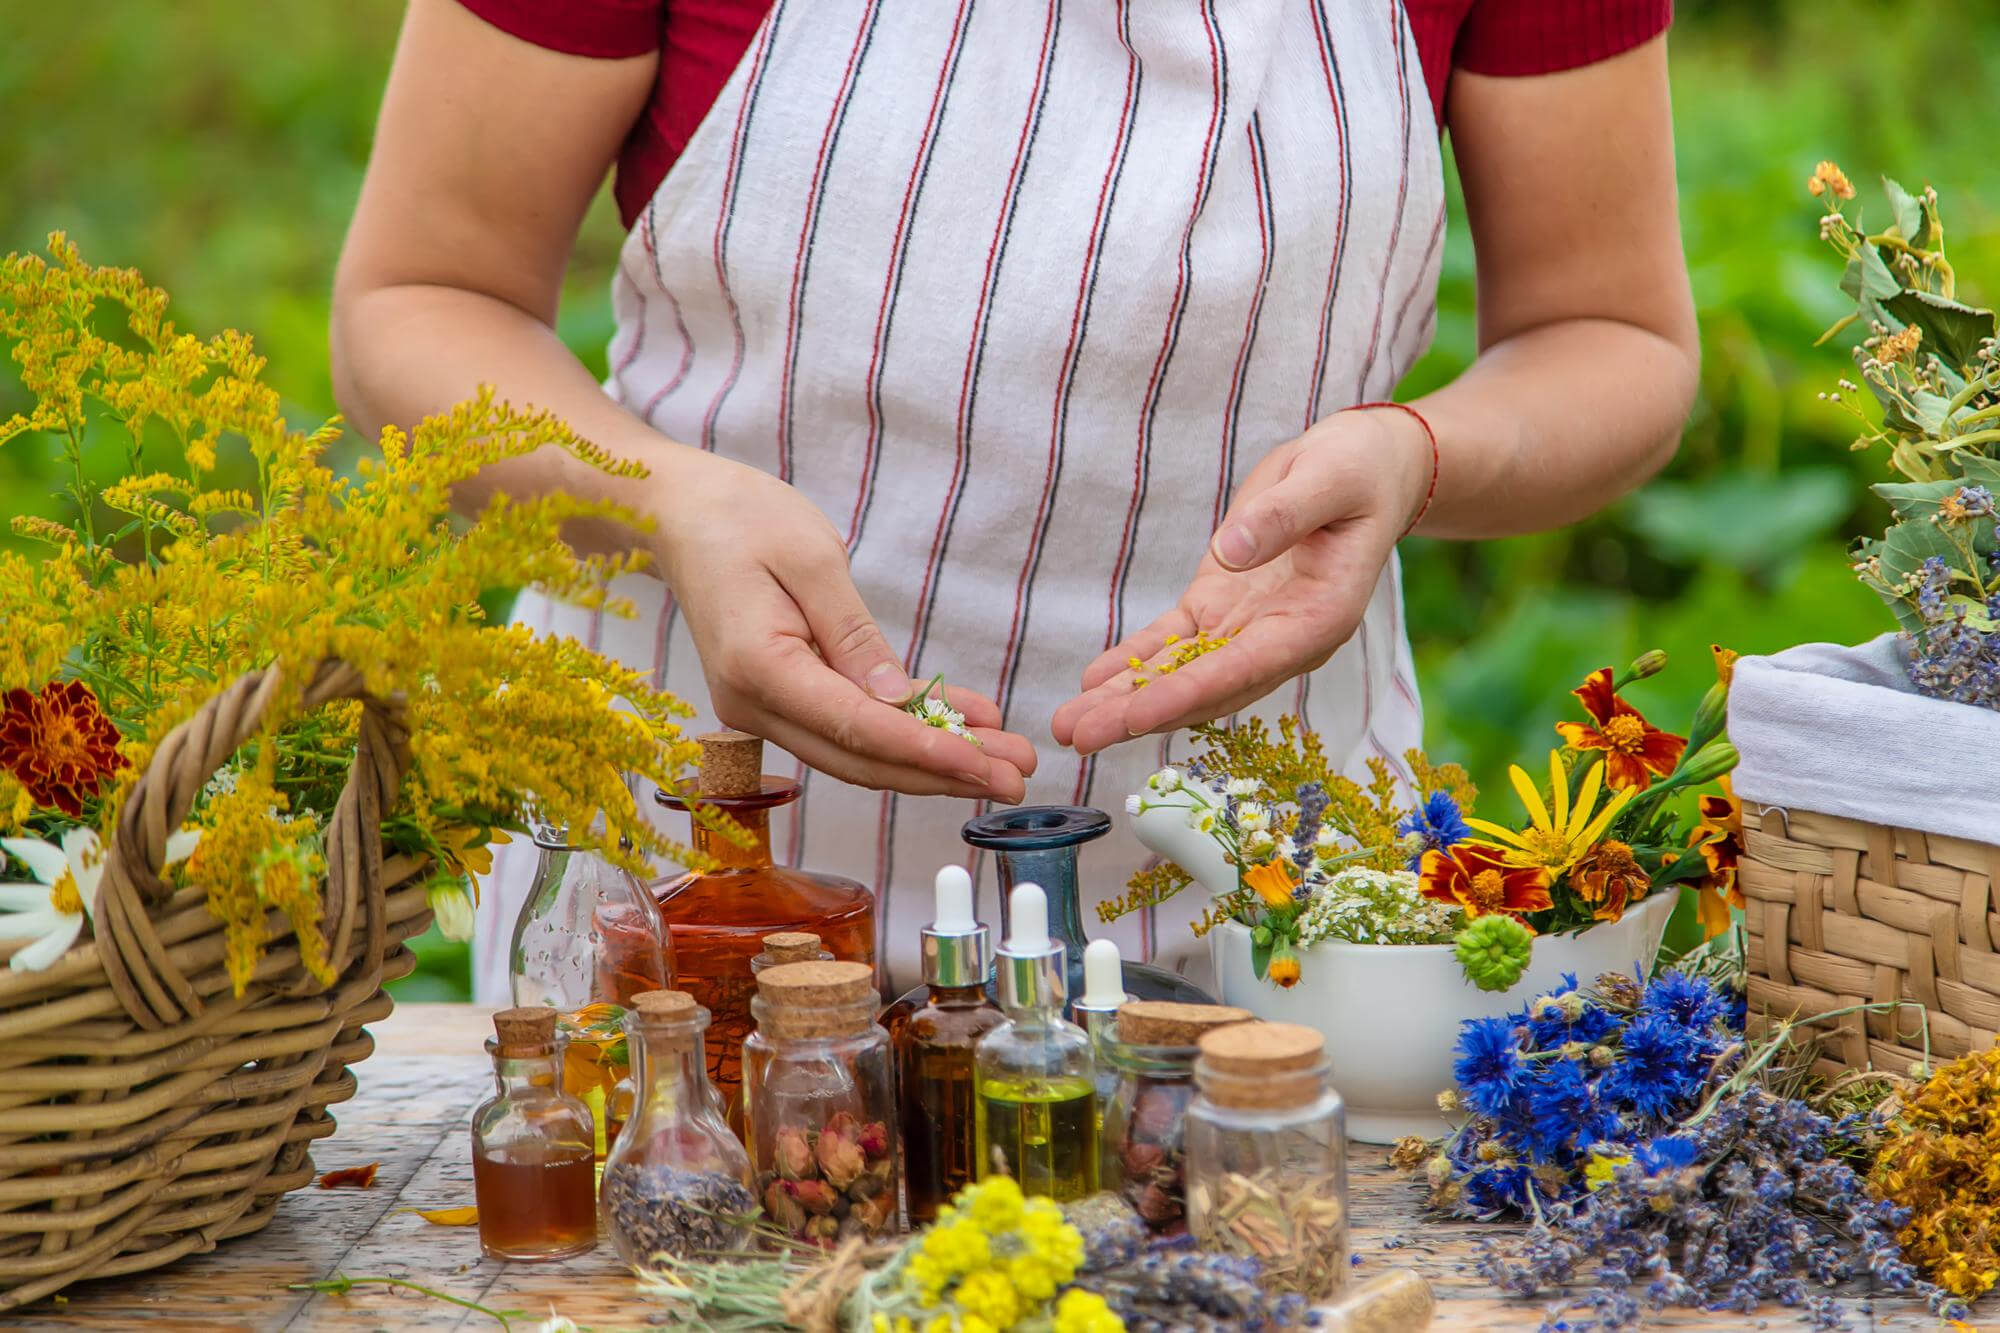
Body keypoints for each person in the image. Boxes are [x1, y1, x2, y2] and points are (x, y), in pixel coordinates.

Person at [331, 0, 1698, 1000]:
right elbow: (421, 297)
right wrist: (663, 502)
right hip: (692, 918)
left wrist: (1415, 457)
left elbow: (1611, 332)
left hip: (1270, 930)